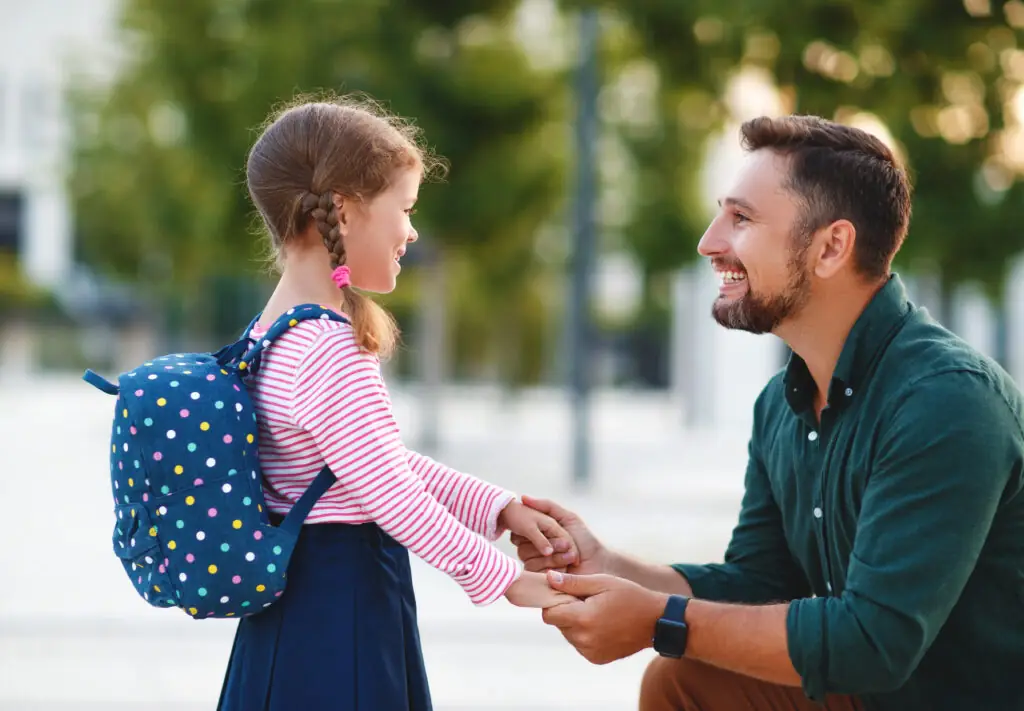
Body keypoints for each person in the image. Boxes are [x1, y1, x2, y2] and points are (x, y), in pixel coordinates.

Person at [512, 115, 1024, 711]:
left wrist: (662, 620)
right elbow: (761, 586)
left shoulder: (945, 402)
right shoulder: (782, 403)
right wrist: (617, 569)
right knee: (683, 682)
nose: (709, 241)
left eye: (742, 218)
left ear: (831, 246)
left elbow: (872, 644)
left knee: (680, 661)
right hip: (874, 696)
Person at [216, 96, 578, 711]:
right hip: (343, 617)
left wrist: (498, 507)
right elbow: (390, 494)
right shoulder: (328, 348)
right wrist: (505, 580)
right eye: (405, 209)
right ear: (343, 210)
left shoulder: (266, 335)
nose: (411, 231)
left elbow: (374, 464)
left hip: (287, 621)